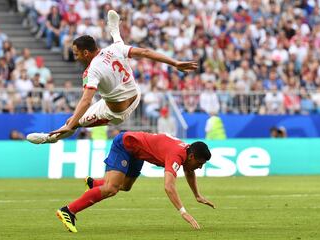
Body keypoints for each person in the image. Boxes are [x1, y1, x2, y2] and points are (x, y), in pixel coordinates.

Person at [27, 10, 197, 144]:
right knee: (119, 44)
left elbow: (86, 101)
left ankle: (49, 139)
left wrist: (71, 125)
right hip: (135, 95)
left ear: (86, 53)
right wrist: (175, 63)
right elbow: (145, 52)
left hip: (115, 113)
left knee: (74, 121)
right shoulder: (113, 49)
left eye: (77, 53)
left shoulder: (91, 71)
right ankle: (114, 30)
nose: (75, 57)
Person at [55, 131, 214, 233]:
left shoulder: (187, 153)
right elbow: (168, 186)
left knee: (125, 186)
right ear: (192, 157)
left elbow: (189, 170)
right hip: (125, 145)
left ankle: (95, 185)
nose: (199, 168)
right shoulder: (176, 155)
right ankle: (69, 210)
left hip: (137, 153)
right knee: (111, 189)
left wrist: (197, 195)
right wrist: (183, 212)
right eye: (200, 164)